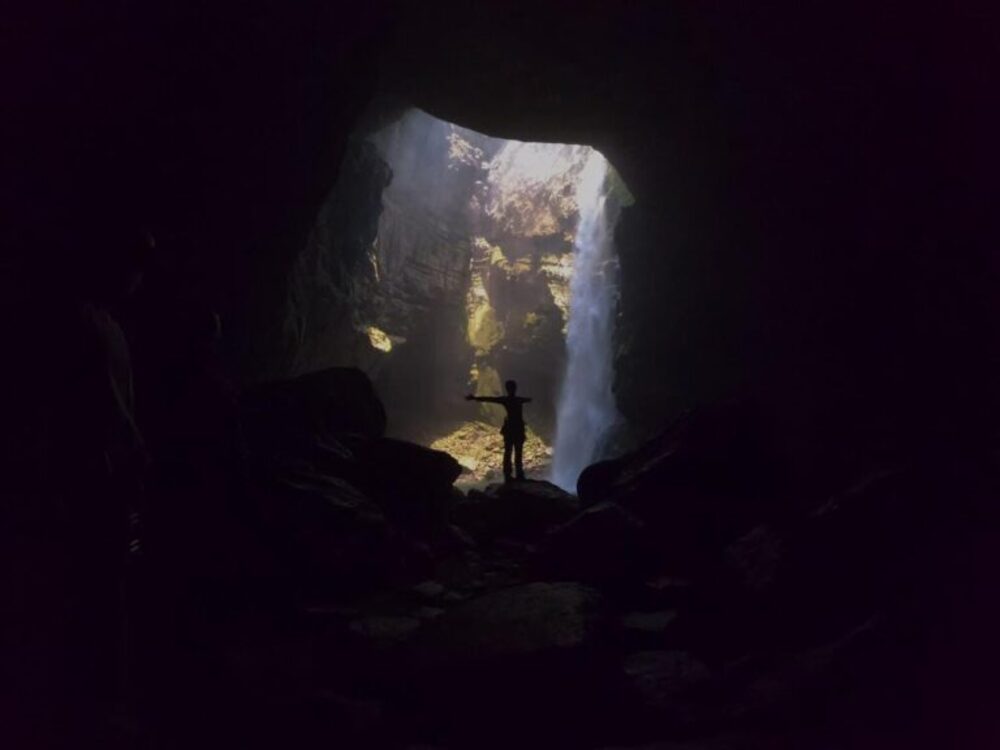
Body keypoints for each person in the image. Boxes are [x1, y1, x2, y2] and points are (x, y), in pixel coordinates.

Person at [466, 379, 532, 481]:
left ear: (507, 389)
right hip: (518, 429)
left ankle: (508, 475)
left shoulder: (506, 400)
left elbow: (490, 399)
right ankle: (519, 475)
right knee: (517, 453)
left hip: (510, 429)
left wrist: (474, 398)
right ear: (515, 389)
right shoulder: (520, 400)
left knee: (508, 452)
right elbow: (529, 399)